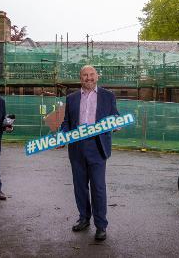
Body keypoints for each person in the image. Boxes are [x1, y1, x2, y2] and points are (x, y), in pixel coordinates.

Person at [60, 65, 119, 241]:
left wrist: (116, 124)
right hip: (77, 147)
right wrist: (62, 135)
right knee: (80, 186)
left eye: (91, 74)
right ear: (80, 78)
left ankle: (101, 226)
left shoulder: (108, 96)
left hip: (98, 147)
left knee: (98, 188)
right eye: (85, 75)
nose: (88, 77)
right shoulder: (71, 98)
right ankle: (84, 218)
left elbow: (115, 116)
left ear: (97, 76)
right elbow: (67, 122)